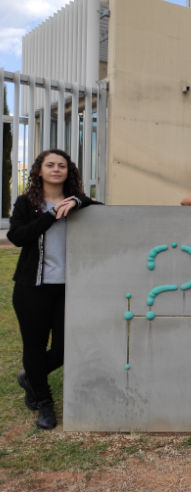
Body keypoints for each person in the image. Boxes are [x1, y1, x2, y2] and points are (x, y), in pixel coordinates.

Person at [8, 149, 97, 430]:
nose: (56, 169)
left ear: (68, 171)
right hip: (31, 288)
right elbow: (17, 236)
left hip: (69, 288)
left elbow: (104, 211)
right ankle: (44, 402)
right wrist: (51, 216)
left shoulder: (79, 205)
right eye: (50, 165)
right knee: (34, 347)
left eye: (62, 165)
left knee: (63, 348)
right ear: (40, 170)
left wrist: (77, 201)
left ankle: (31, 377)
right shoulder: (26, 203)